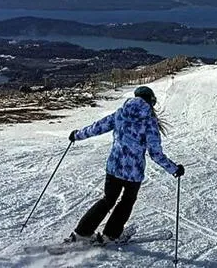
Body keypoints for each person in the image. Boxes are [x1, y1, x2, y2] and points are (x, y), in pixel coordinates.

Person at [66, 86, 184, 244]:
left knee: (108, 199)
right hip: (133, 173)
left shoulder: (120, 114)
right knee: (126, 202)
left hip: (114, 168)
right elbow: (155, 154)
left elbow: (97, 128)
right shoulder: (149, 122)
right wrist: (174, 169)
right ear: (151, 101)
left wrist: (77, 135)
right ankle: (110, 235)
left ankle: (82, 233)